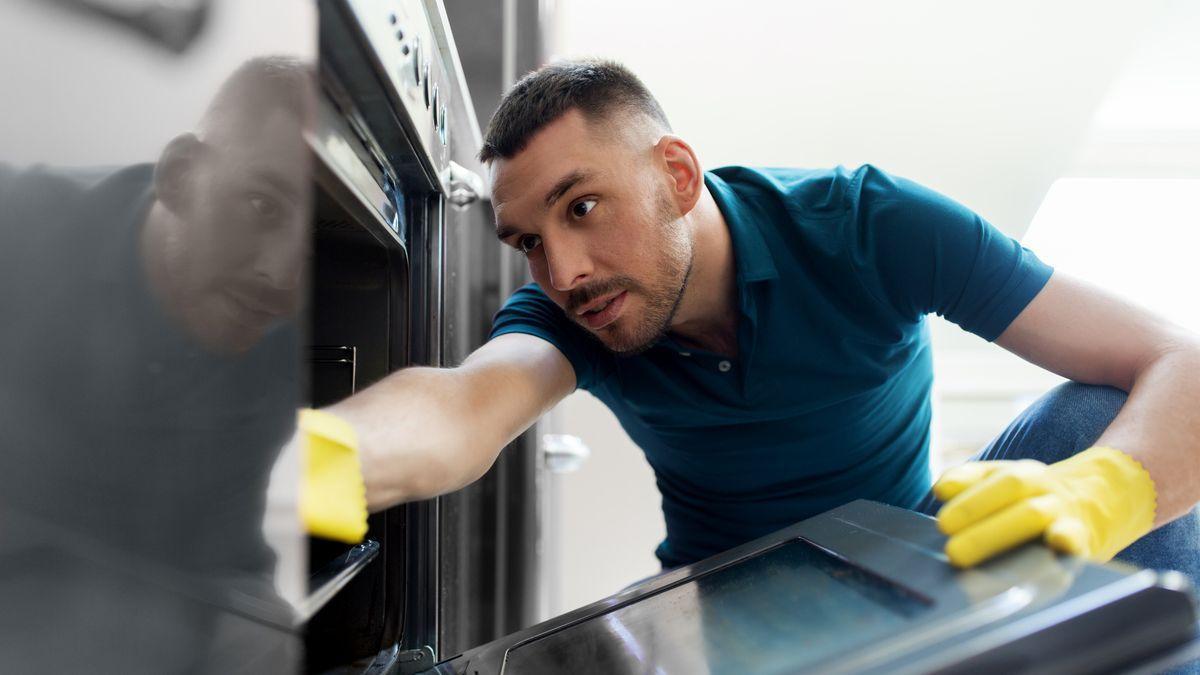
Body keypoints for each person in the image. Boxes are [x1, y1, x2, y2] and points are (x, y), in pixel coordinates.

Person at [323, 60, 1200, 586]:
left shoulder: (869, 225)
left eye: (583, 206)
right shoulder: (570, 310)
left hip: (913, 555)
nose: (563, 270)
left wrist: (1107, 490)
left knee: (1096, 417)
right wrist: (312, 459)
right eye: (527, 241)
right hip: (728, 605)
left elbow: (1181, 357)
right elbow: (460, 409)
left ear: (676, 173)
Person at [0, 56, 313, 673]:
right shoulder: (21, 230)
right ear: (179, 175)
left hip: (201, 613)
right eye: (261, 205)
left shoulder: (302, 327)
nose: (284, 275)